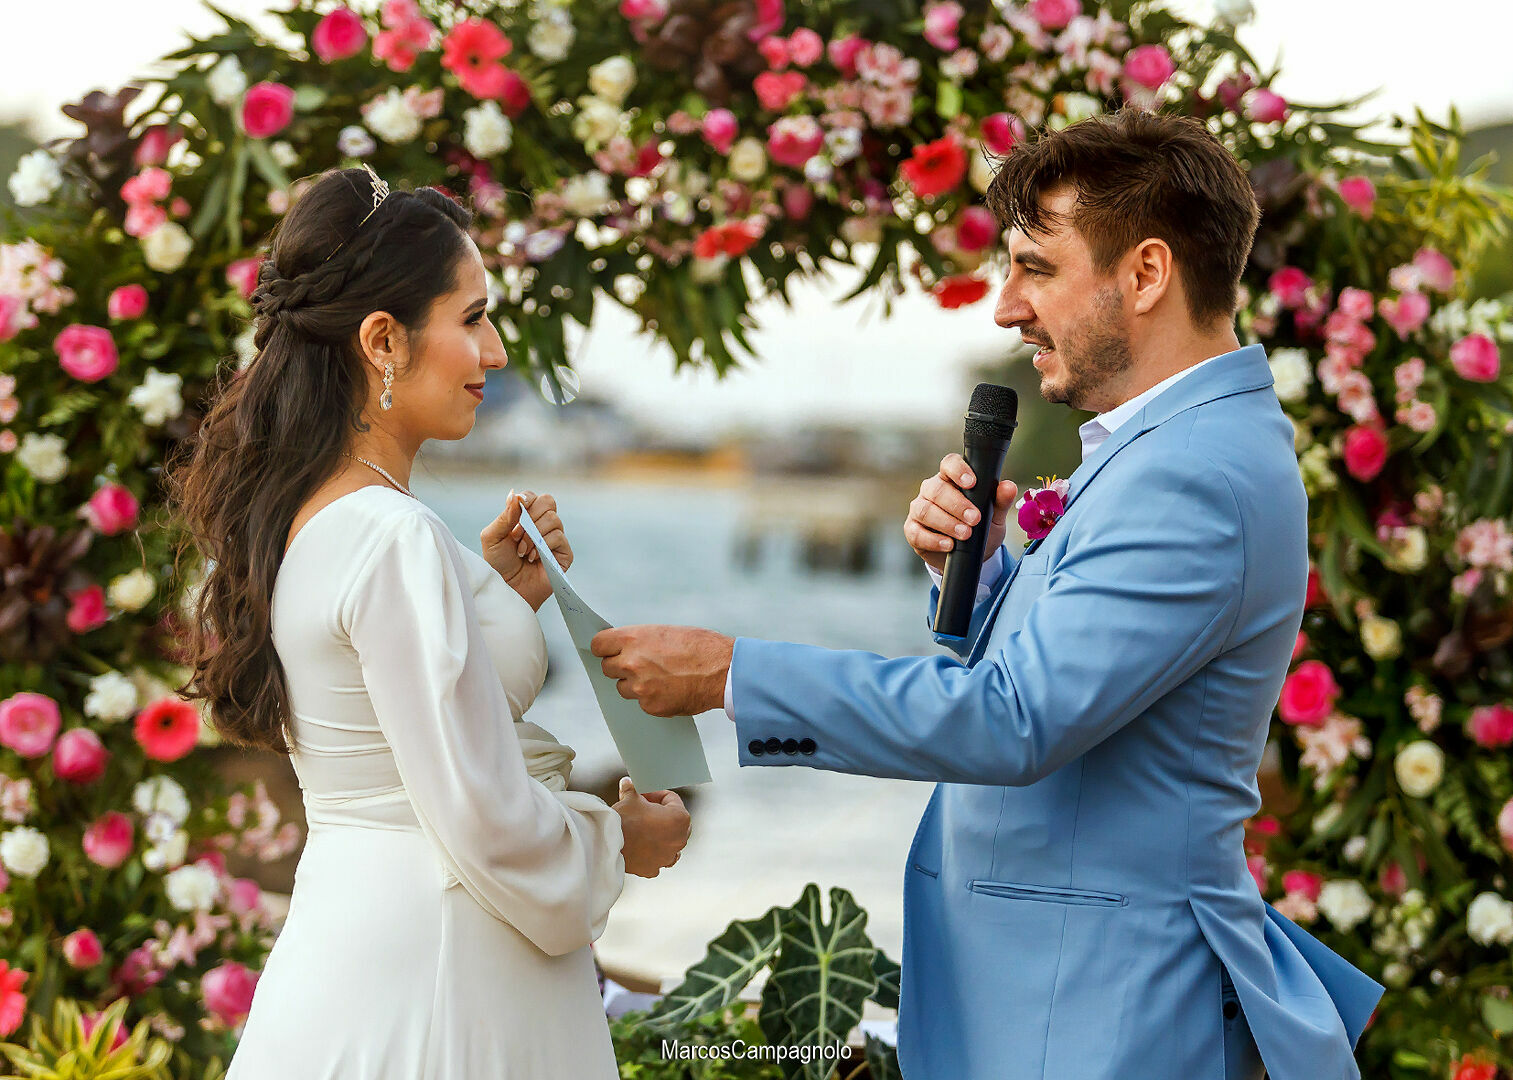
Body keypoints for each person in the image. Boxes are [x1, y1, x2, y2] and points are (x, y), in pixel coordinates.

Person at [589, 109, 1384, 1079]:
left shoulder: (1190, 476)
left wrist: (732, 676)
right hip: (1056, 996)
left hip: (1101, 1010)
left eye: (1035, 269)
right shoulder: (1167, 450)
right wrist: (981, 575)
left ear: (1144, 274)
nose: (1005, 307)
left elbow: (1015, 723)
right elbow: (1089, 690)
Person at [169, 166, 690, 1078]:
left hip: (355, 935)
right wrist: (619, 841)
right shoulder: (391, 538)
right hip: (443, 961)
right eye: (472, 317)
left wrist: (490, 599)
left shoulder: (320, 518)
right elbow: (487, 822)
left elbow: (379, 723)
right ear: (383, 341)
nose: (493, 353)